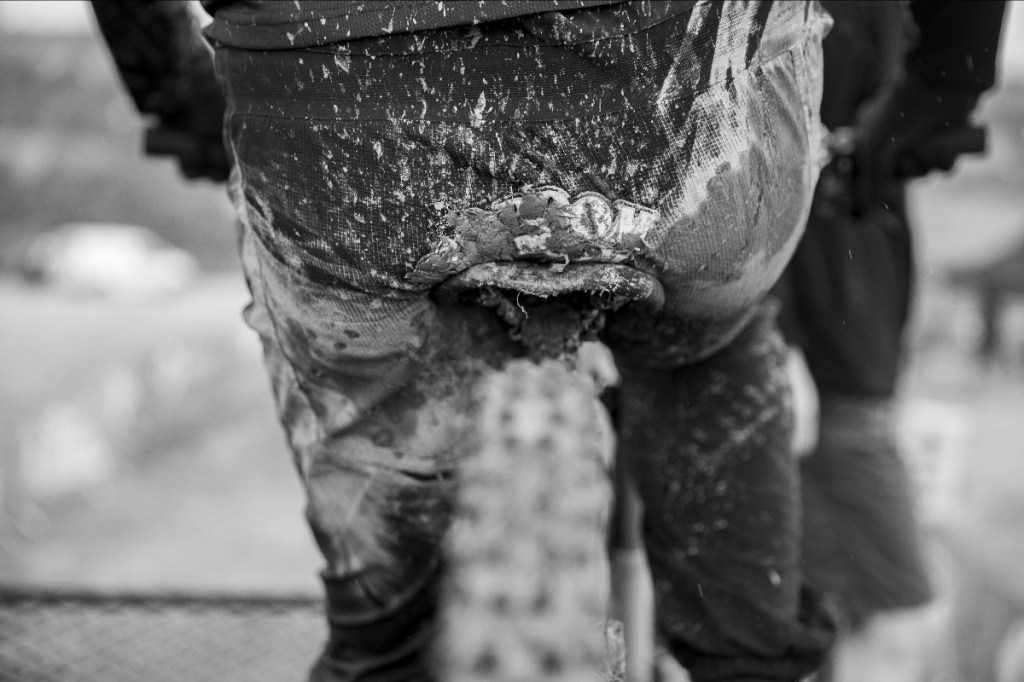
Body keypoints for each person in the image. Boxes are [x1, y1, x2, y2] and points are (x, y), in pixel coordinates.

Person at [90, 2, 1004, 681]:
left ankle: (383, 648)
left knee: (388, 641)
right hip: (689, 99)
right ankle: (747, 651)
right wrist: (940, 94)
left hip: (344, 114)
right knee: (707, 352)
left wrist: (178, 95)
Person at [774, 1, 1007, 680]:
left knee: (853, 616)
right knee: (896, 619)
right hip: (824, 364)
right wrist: (779, 335)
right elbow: (754, 149)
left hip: (856, 348)